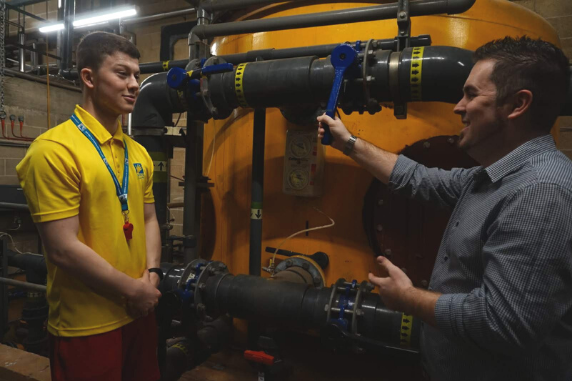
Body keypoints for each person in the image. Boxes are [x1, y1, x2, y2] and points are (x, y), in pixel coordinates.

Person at [318, 36, 572, 380]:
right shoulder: (496, 176)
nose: (458, 107)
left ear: (517, 105)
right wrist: (347, 143)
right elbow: (419, 178)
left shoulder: (540, 192)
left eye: (471, 94)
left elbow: (503, 322)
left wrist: (408, 298)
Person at [16, 32, 162, 381]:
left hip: (139, 311)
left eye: (137, 75)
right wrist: (133, 290)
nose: (134, 85)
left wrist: (151, 277)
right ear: (89, 78)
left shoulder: (137, 153)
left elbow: (149, 218)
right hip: (87, 324)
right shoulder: (53, 151)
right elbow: (63, 249)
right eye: (122, 74)